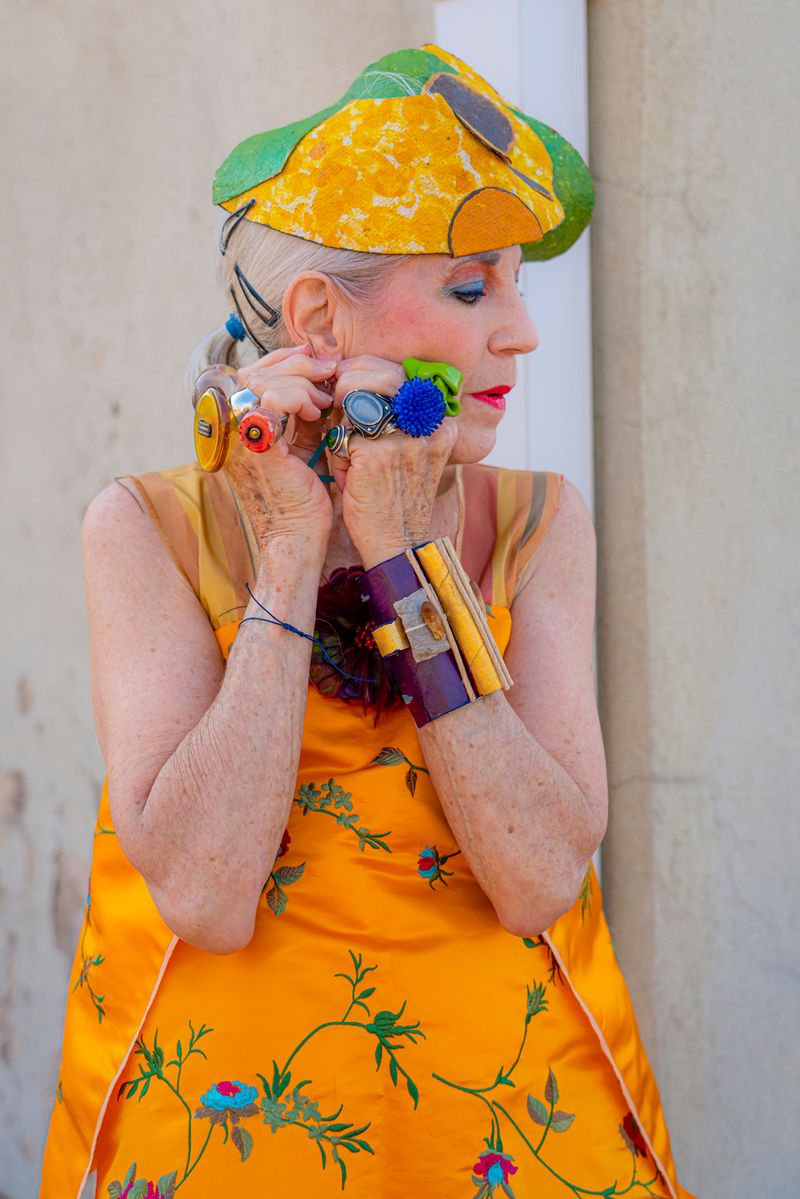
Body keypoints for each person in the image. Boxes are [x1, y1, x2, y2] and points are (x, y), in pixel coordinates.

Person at [41, 44, 695, 1199]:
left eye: (512, 282)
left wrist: (403, 557)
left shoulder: (542, 520)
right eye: (466, 287)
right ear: (316, 320)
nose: (519, 332)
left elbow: (541, 872)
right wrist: (291, 555)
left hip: (510, 1136)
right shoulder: (142, 528)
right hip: (236, 1140)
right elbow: (201, 890)